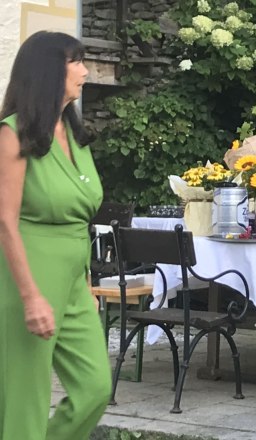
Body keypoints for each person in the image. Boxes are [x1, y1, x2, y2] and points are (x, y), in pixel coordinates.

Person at [0, 31, 112, 439]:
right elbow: (4, 221)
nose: (86, 71)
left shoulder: (75, 135)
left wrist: (83, 282)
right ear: (48, 71)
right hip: (27, 276)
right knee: (24, 403)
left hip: (73, 279)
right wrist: (30, 297)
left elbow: (79, 217)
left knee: (95, 389)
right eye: (76, 62)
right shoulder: (13, 134)